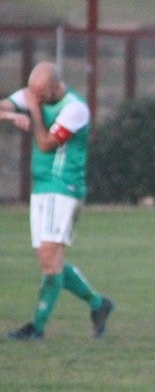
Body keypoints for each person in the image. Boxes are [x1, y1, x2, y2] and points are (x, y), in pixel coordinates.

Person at [0, 62, 114, 341]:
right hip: (42, 188)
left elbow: (46, 143)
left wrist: (32, 110)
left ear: (56, 87)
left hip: (64, 188)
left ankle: (37, 328)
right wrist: (10, 116)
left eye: (41, 95)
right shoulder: (35, 94)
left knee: (51, 263)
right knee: (49, 261)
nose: (35, 99)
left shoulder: (75, 108)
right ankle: (98, 304)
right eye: (33, 94)